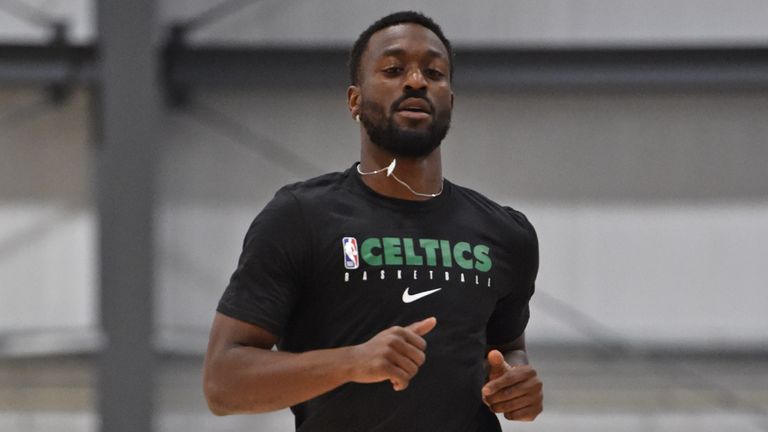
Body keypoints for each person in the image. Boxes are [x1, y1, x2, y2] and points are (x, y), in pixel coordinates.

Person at [203, 11, 543, 432]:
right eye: (394, 69)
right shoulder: (299, 218)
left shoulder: (508, 235)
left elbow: (507, 348)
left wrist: (516, 382)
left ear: (450, 103)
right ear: (354, 101)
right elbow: (222, 384)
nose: (416, 80)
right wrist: (351, 362)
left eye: (434, 72)